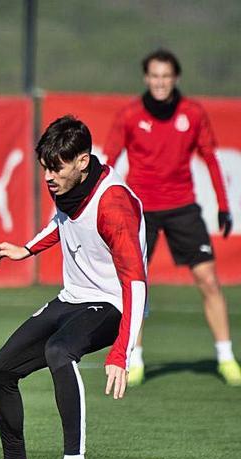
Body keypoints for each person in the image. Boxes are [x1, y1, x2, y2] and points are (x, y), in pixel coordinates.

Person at [0, 116, 146, 459]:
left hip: (111, 303)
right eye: (45, 167)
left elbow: (136, 282)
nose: (48, 176)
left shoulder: (113, 203)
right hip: (72, 297)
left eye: (56, 167)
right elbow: (63, 220)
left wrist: (122, 352)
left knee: (59, 351)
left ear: (82, 161)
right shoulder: (68, 185)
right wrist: (27, 249)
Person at [103, 48, 241, 387]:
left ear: (175, 78)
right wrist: (101, 206)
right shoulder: (130, 115)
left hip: (183, 207)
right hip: (140, 208)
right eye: (154, 75)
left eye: (166, 76)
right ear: (146, 78)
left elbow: (210, 158)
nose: (160, 82)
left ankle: (226, 358)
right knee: (136, 285)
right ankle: (134, 359)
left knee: (208, 280)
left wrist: (224, 206)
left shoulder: (192, 113)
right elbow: (108, 161)